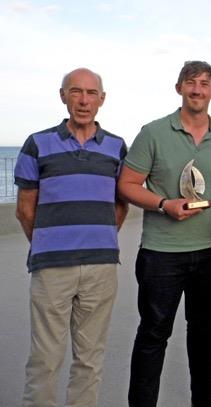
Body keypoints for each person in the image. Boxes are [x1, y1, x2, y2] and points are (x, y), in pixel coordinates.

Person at [118, 61, 211, 407]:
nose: (197, 89)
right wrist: (164, 203)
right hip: (160, 252)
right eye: (191, 82)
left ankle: (205, 397)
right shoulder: (153, 133)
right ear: (179, 87)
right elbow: (127, 185)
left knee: (203, 330)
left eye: (204, 83)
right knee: (154, 333)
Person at [14, 68, 128, 407]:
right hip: (52, 268)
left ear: (102, 100)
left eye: (91, 93)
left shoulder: (117, 147)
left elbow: (120, 205)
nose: (83, 100)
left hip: (101, 268)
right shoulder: (37, 143)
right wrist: (49, 243)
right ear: (63, 96)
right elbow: (24, 209)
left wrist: (98, 236)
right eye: (75, 92)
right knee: (45, 358)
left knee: (90, 359)